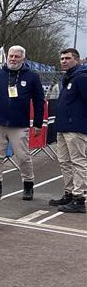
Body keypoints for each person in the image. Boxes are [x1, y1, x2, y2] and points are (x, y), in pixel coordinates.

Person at [0, 45, 44, 200]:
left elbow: (39, 101)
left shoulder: (32, 77)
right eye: (11, 56)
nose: (13, 59)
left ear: (23, 58)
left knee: (23, 157)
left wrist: (38, 123)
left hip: (19, 125)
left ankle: (28, 185)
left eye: (17, 56)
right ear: (7, 57)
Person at [48, 48, 87, 213]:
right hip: (63, 126)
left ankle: (79, 198)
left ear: (76, 60)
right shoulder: (66, 78)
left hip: (76, 127)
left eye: (67, 58)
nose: (64, 61)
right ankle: (69, 192)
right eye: (62, 58)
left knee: (78, 161)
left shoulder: (82, 77)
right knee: (64, 162)